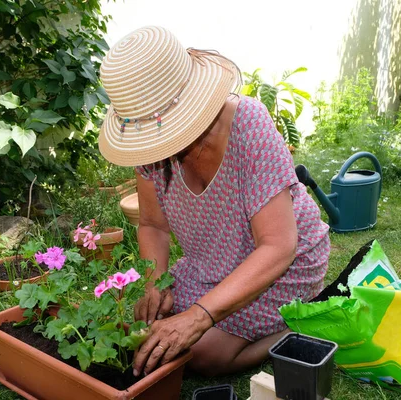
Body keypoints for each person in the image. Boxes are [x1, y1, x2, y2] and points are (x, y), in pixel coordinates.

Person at [98, 26, 330, 378]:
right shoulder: (148, 148)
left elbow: (278, 246)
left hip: (283, 263)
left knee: (200, 353)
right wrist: (154, 282)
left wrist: (199, 316)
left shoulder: (248, 126)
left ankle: (301, 327)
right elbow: (152, 225)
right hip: (210, 263)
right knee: (152, 330)